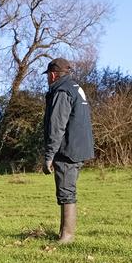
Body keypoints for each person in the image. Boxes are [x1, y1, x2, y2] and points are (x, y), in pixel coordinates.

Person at [42, 57, 94, 243]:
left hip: (68, 149)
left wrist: (49, 156)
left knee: (66, 191)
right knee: (67, 189)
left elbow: (56, 127)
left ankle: (67, 236)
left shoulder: (61, 91)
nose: (47, 79)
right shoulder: (75, 87)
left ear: (53, 74)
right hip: (80, 147)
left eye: (48, 75)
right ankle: (64, 232)